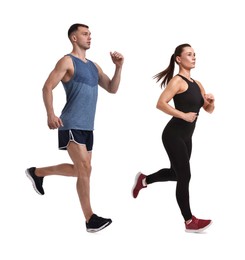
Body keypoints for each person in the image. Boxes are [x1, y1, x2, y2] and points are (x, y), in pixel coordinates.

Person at [25, 23, 124, 233]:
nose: (89, 37)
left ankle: (38, 172)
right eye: (85, 34)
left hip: (88, 127)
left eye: (90, 34)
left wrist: (118, 67)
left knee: (82, 170)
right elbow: (47, 87)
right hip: (70, 123)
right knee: (85, 170)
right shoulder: (67, 61)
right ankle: (90, 219)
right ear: (74, 38)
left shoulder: (94, 66)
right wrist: (50, 114)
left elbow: (112, 88)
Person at [132, 43, 215, 233]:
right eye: (189, 54)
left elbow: (208, 110)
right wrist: (183, 115)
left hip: (187, 137)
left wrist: (211, 101)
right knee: (185, 176)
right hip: (173, 135)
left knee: (176, 174)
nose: (193, 57)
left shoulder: (197, 84)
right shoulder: (177, 81)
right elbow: (160, 103)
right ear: (179, 59)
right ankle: (189, 221)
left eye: (195, 54)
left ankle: (144, 180)